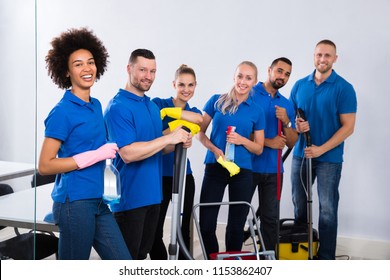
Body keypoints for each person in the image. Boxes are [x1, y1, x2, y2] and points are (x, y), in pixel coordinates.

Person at [38, 27, 131, 260]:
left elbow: (95, 145)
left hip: (98, 200)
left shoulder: (96, 104)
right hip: (74, 203)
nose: (87, 68)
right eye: (78, 64)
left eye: (90, 62)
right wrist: (95, 155)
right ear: (67, 71)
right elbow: (45, 166)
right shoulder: (62, 112)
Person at [104, 49, 192, 260]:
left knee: (142, 256)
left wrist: (178, 142)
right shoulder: (118, 107)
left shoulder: (151, 107)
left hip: (153, 196)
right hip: (129, 200)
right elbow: (128, 153)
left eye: (152, 71)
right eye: (143, 70)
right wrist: (169, 138)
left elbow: (158, 148)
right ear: (129, 69)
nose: (148, 76)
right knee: (127, 260)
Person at [289, 39, 357, 260]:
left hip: (329, 159)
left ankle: (325, 258)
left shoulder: (344, 88)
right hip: (301, 156)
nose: (323, 59)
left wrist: (321, 149)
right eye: (319, 55)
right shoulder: (300, 85)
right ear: (313, 56)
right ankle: (301, 251)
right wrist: (298, 127)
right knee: (299, 205)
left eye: (328, 55)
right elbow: (292, 122)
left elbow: (349, 127)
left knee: (327, 209)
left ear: (335, 59)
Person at [197, 61, 265, 259]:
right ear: (234, 77)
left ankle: (231, 266)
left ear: (255, 81)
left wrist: (242, 140)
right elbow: (199, 133)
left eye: (248, 78)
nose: (243, 82)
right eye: (240, 76)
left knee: (236, 225)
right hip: (215, 167)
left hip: (242, 171)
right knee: (206, 224)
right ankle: (214, 263)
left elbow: (259, 148)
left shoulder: (257, 111)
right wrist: (213, 148)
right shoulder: (216, 101)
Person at [150, 64, 203, 260]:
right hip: (159, 177)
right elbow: (155, 140)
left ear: (195, 86)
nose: (186, 89)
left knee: (183, 230)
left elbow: (198, 119)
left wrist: (172, 122)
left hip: (183, 176)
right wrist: (176, 129)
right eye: (181, 84)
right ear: (174, 84)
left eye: (190, 85)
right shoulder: (157, 103)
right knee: (155, 230)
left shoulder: (194, 110)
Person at [250, 57, 298, 253]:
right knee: (239, 214)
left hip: (274, 170)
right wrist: (269, 142)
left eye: (287, 74)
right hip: (248, 166)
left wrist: (286, 122)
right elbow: (241, 130)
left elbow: (292, 142)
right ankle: (231, 260)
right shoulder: (250, 93)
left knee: (270, 219)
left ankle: (268, 262)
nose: (282, 76)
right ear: (269, 70)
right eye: (279, 71)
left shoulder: (286, 104)